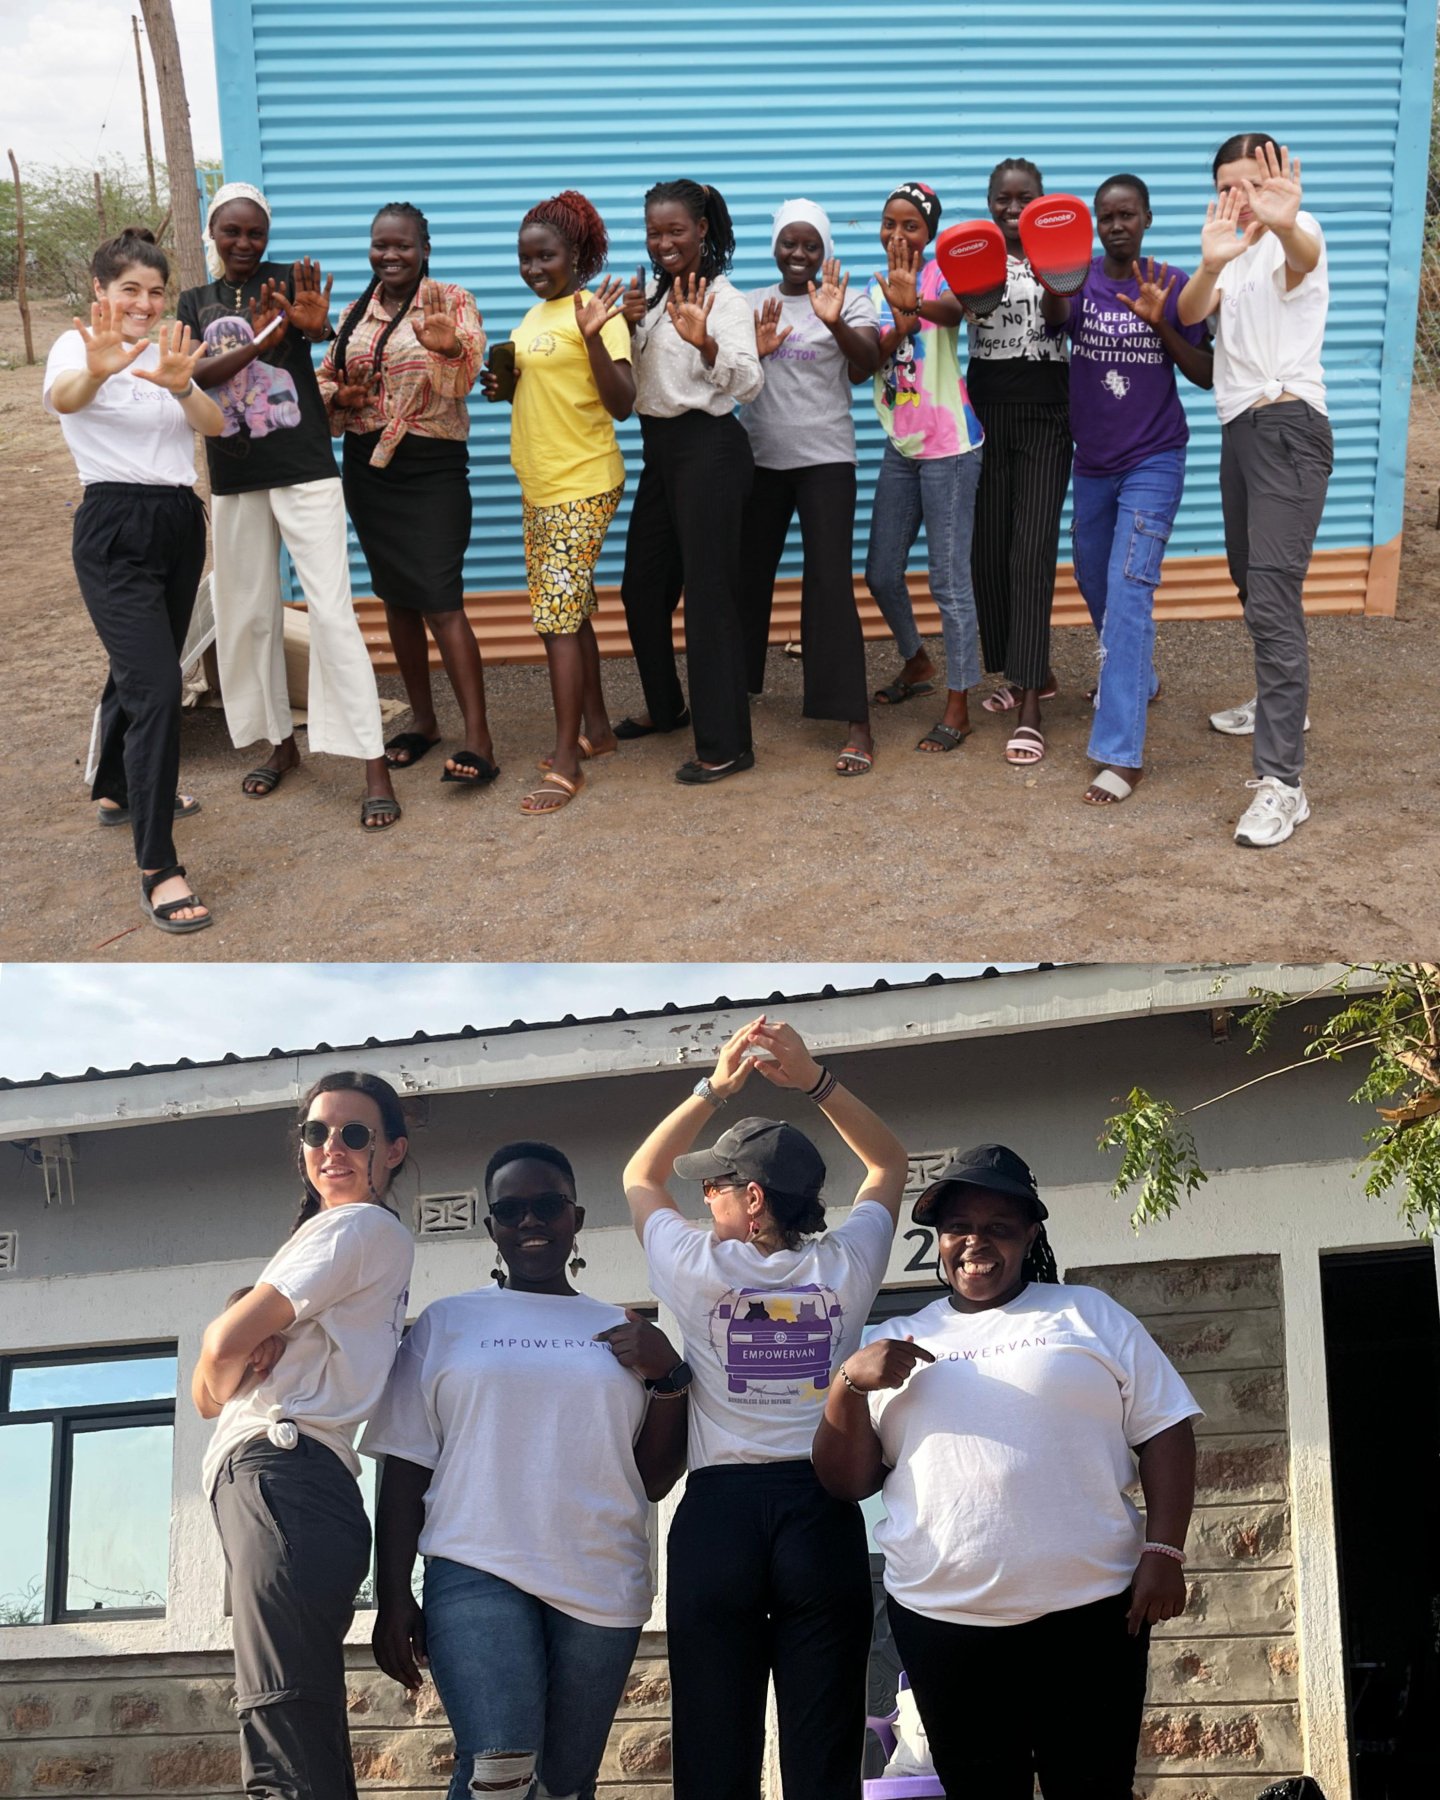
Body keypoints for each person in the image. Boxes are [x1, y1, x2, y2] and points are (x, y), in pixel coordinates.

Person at [813, 1143, 1201, 1799]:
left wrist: (1165, 1549)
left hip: (1092, 1613)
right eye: (958, 1227)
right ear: (938, 1240)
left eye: (997, 1227)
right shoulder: (898, 1337)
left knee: (1094, 1787)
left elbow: (1167, 1429)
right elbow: (844, 1482)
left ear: (1029, 1234)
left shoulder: (1088, 1314)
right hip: (945, 1620)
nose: (975, 1243)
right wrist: (848, 1383)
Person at [623, 1015, 909, 1800]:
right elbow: (888, 1162)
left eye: (712, 1183)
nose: (700, 1194)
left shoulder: (693, 1264)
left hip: (721, 1518)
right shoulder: (845, 1266)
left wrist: (715, 1086)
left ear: (750, 1198)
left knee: (714, 1756)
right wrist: (814, 1079)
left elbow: (639, 1176)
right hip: (819, 1515)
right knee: (823, 1753)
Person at [362, 1141, 689, 1800]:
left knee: (564, 1786)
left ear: (576, 1217)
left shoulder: (622, 1329)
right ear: (492, 1228)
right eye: (511, 1211)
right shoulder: (447, 1323)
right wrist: (391, 1592)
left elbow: (652, 1481)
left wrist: (671, 1376)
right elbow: (404, 1465)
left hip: (600, 1575)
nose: (530, 1222)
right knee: (500, 1771)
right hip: (476, 1565)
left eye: (547, 1206)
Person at [192, 1071, 415, 1800]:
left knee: (285, 1733)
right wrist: (228, 1361)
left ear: (394, 1151)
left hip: (282, 1475)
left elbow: (221, 1351)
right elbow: (206, 1393)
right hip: (293, 1488)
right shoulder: (330, 1241)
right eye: (316, 1133)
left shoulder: (358, 1227)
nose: (332, 1148)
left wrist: (230, 1356)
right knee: (295, 1727)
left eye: (356, 1134)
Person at [178, 182, 400, 829]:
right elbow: (197, 377)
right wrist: (261, 336)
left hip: (304, 471)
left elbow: (321, 328)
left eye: (255, 232)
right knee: (247, 616)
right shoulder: (195, 302)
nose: (244, 243)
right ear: (213, 235)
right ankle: (279, 745)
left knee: (331, 612)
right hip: (235, 478)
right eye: (231, 232)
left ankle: (372, 762)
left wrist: (314, 328)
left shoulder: (289, 282)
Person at [43, 228, 224, 934]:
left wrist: (182, 387)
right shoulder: (78, 345)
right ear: (101, 291)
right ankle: (159, 865)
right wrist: (99, 368)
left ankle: (120, 787)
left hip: (179, 521)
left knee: (140, 671)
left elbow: (212, 424)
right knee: (155, 687)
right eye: (129, 290)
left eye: (154, 291)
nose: (144, 304)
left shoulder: (168, 350)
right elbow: (64, 398)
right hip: (114, 525)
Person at [1178, 138, 1331, 848]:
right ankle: (1279, 702)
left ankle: (1283, 785)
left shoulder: (1295, 240)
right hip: (1240, 432)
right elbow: (1188, 311)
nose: (1242, 197)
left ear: (1274, 182)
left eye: (1252, 183)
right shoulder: (1232, 254)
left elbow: (1300, 256)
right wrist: (1211, 262)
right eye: (1227, 186)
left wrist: (1285, 221)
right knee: (1249, 578)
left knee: (1271, 593)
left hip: (1288, 426)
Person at [1046, 175, 1213, 806]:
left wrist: (1161, 325)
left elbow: (1206, 373)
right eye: (1105, 217)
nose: (1115, 226)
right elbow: (1056, 322)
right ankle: (1137, 675)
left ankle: (1120, 754)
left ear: (1146, 218)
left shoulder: (1170, 285)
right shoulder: (1077, 280)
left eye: (1127, 216)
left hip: (1154, 460)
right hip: (1093, 464)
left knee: (1127, 592)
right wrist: (1052, 283)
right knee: (1093, 577)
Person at [319, 203, 498, 787]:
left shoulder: (452, 301)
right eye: (379, 245)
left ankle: (480, 741)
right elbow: (324, 383)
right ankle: (422, 721)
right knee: (396, 598)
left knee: (442, 601)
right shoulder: (353, 314)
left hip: (432, 466)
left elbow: (462, 381)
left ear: (425, 247)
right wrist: (340, 400)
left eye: (402, 245)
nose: (389, 255)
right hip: (369, 469)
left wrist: (447, 350)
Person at [481, 191, 634, 814]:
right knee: (570, 611)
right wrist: (505, 386)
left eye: (545, 256)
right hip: (541, 484)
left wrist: (594, 337)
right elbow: (541, 392)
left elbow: (622, 402)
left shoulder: (596, 312)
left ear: (576, 254)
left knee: (555, 621)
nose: (534, 267)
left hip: (582, 481)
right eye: (524, 258)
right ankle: (597, 731)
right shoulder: (531, 319)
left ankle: (567, 758)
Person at [617, 179, 763, 785]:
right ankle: (668, 708)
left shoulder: (722, 298)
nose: (664, 242)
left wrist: (706, 344)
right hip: (662, 454)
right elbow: (638, 381)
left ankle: (727, 745)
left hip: (710, 453)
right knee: (642, 590)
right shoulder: (651, 296)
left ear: (702, 229)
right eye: (655, 231)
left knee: (708, 599)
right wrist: (625, 327)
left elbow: (750, 383)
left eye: (676, 230)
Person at [738, 200, 881, 775]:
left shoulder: (849, 298)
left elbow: (866, 364)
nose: (799, 254)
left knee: (828, 585)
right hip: (759, 461)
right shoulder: (746, 304)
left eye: (811, 245)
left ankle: (855, 722)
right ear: (775, 245)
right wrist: (755, 349)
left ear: (824, 250)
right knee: (746, 579)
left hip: (826, 460)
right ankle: (734, 697)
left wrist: (835, 321)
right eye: (789, 243)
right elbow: (727, 375)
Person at [862, 182, 987, 757]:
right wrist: (895, 321)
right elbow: (869, 357)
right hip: (901, 446)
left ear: (929, 232)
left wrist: (912, 303)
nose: (898, 234)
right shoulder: (872, 285)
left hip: (950, 449)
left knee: (948, 581)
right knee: (882, 572)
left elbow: (954, 312)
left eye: (911, 225)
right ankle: (917, 661)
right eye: (890, 223)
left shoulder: (942, 277)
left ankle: (958, 703)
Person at [966, 158, 1072, 767]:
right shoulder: (973, 256)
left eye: (1023, 199)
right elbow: (974, 316)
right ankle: (1027, 669)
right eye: (1002, 199)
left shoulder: (1060, 252)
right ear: (989, 202)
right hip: (985, 414)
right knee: (989, 551)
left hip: (1047, 415)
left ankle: (1032, 703)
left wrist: (1050, 278)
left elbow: (1058, 323)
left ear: (1039, 201)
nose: (1012, 209)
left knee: (1031, 552)